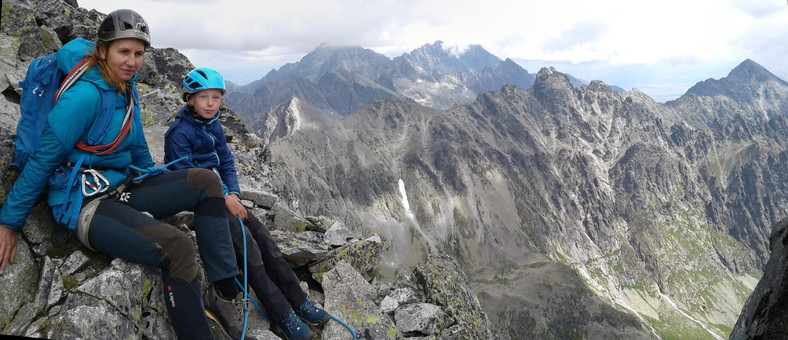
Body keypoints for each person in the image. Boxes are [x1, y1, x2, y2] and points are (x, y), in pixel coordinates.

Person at [0, 10, 252, 340]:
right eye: (124, 52)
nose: (132, 61)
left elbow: (135, 145)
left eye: (138, 53)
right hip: (85, 205)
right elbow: (42, 161)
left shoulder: (124, 87)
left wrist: (156, 183)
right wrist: (8, 223)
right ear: (102, 51)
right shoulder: (85, 97)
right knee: (177, 247)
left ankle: (224, 293)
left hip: (121, 185)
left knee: (205, 181)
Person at [164, 68, 331, 340]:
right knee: (250, 251)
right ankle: (283, 315)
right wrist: (224, 198)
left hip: (225, 199)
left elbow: (227, 162)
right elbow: (188, 180)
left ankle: (299, 301)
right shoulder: (178, 134)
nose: (210, 103)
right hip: (207, 205)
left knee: (266, 241)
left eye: (216, 97)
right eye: (203, 97)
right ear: (189, 99)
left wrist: (234, 195)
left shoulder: (213, 124)